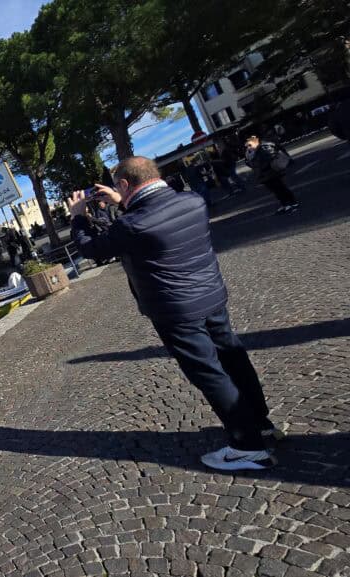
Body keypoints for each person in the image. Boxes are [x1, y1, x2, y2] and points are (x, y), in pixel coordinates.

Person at [67, 156, 282, 471]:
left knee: (209, 373)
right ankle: (261, 424)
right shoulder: (192, 201)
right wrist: (123, 202)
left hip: (175, 310)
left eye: (118, 187)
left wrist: (78, 217)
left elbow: (92, 248)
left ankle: (248, 447)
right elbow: (152, 218)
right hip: (211, 296)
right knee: (233, 357)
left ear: (125, 184)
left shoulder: (131, 224)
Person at [245, 135, 299, 214]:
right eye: (247, 145)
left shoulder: (263, 147)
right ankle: (285, 204)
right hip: (263, 174)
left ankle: (292, 203)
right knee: (275, 190)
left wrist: (260, 164)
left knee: (280, 188)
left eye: (250, 144)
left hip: (270, 172)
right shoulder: (251, 152)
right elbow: (251, 163)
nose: (248, 147)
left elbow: (271, 157)